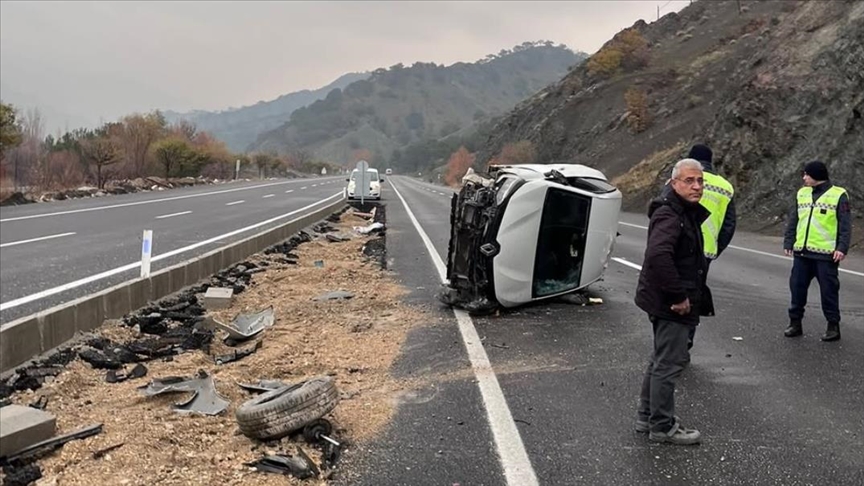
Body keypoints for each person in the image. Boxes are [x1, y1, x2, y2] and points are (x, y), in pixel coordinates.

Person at [635, 158, 714, 445]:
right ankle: (662, 426)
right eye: (689, 181)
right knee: (669, 363)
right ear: (673, 183)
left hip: (662, 298)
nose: (696, 186)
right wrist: (678, 296)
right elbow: (658, 256)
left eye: (700, 181)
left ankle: (647, 416)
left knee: (660, 359)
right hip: (670, 302)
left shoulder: (682, 211)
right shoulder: (671, 214)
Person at [662, 144, 735, 350]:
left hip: (678, 245)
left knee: (672, 288)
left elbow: (664, 207)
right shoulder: (725, 187)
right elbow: (729, 225)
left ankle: (669, 340)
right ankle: (687, 339)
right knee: (694, 293)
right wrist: (716, 248)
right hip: (706, 251)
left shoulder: (679, 180)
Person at [783, 161, 851, 341]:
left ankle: (833, 326)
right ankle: (795, 323)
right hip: (802, 253)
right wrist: (789, 241)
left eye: (807, 174)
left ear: (817, 176)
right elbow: (794, 219)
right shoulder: (802, 193)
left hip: (826, 255)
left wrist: (842, 247)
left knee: (829, 292)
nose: (804, 178)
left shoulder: (838, 195)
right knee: (797, 289)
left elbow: (845, 224)